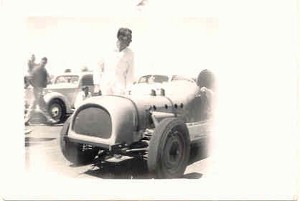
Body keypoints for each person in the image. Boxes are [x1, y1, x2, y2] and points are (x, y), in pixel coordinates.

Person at [96, 27, 135, 95]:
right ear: (120, 37)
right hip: (105, 85)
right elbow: (98, 68)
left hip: (120, 87)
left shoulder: (130, 54)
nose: (130, 40)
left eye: (130, 38)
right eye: (128, 38)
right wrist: (97, 85)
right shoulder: (106, 49)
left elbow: (130, 73)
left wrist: (129, 89)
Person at [24, 57, 57, 125]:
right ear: (41, 61)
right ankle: (26, 120)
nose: (44, 63)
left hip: (40, 89)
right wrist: (35, 86)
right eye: (43, 62)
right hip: (36, 89)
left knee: (42, 105)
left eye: (45, 62)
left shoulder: (44, 70)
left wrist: (44, 85)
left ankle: (49, 119)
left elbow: (45, 79)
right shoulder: (37, 69)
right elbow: (30, 78)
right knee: (35, 105)